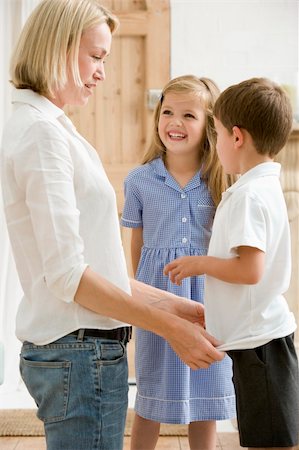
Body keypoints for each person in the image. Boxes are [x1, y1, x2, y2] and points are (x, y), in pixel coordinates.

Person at [0, 2, 225, 449]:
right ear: (58, 48)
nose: (103, 71)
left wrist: (180, 309)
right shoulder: (42, 134)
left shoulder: (49, 127)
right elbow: (70, 278)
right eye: (96, 56)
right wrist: (168, 328)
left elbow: (97, 271)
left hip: (81, 352)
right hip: (80, 355)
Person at [164, 77, 299, 450]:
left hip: (261, 346)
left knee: (269, 439)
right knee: (266, 435)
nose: (216, 142)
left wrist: (200, 263)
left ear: (236, 137)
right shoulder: (261, 185)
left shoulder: (248, 196)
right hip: (259, 340)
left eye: (218, 133)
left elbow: (249, 270)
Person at [121, 75, 236, 450]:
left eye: (189, 115)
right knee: (151, 393)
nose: (175, 121)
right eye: (168, 111)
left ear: (209, 126)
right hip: (157, 298)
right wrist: (141, 297)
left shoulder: (221, 180)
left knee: (204, 392)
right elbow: (137, 244)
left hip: (207, 300)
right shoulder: (140, 180)